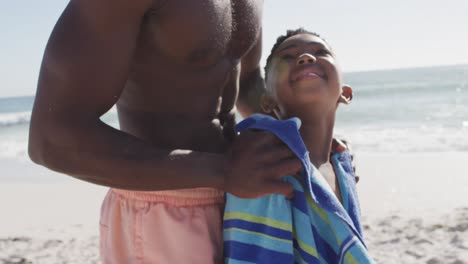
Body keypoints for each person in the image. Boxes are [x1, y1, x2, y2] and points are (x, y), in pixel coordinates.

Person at [28, 1, 302, 263]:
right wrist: (224, 171)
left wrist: (302, 135)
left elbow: (248, 80)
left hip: (239, 198)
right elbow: (51, 139)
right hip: (162, 207)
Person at [223, 28, 373, 263]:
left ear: (345, 93)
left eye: (320, 51)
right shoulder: (266, 162)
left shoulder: (342, 165)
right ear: (266, 101)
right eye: (288, 57)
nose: (306, 58)